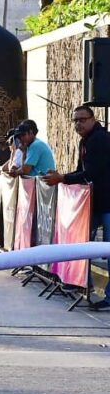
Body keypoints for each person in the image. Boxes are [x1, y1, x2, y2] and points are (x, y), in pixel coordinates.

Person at [44, 104, 110, 310]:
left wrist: (63, 178)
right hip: (95, 204)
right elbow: (82, 171)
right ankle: (80, 284)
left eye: (82, 120)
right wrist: (63, 176)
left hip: (107, 204)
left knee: (107, 250)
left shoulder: (99, 139)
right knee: (81, 244)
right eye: (75, 121)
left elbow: (92, 173)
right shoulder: (86, 140)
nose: (78, 124)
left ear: (93, 119)